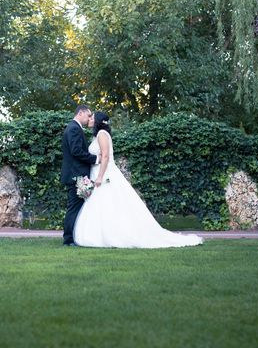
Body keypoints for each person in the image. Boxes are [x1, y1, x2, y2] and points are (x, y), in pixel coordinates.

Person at [74, 111, 203, 248]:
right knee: (102, 204)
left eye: (92, 118)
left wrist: (100, 177)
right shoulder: (99, 135)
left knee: (108, 203)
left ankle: (112, 235)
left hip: (104, 174)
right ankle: (100, 234)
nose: (90, 119)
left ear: (98, 121)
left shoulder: (101, 135)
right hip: (97, 172)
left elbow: (105, 157)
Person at [60, 105, 98, 246]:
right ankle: (68, 240)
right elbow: (76, 151)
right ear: (80, 113)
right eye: (88, 115)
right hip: (75, 175)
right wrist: (95, 159)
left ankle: (73, 237)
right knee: (74, 207)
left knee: (77, 207)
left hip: (76, 174)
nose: (89, 119)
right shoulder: (74, 128)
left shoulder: (74, 128)